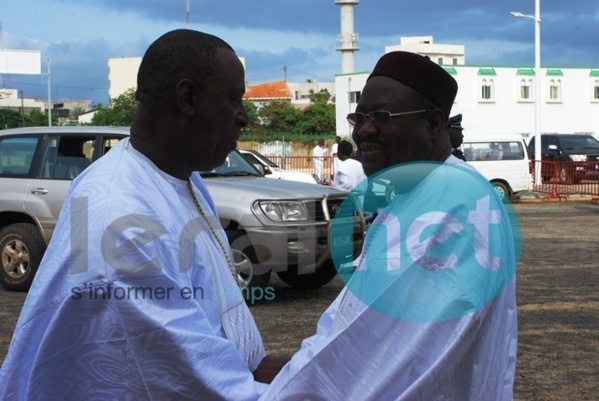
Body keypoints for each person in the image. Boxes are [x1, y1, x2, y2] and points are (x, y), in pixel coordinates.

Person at [0, 29, 287, 400]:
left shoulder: (184, 178)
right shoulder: (118, 214)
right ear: (187, 98)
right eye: (233, 99)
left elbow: (216, 332)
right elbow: (198, 384)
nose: (244, 117)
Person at [261, 51, 518, 400]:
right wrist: (297, 368)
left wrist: (292, 385)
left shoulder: (453, 201)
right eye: (360, 116)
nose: (365, 130)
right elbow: (356, 319)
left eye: (383, 116)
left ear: (433, 124)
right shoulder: (420, 188)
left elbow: (395, 357)